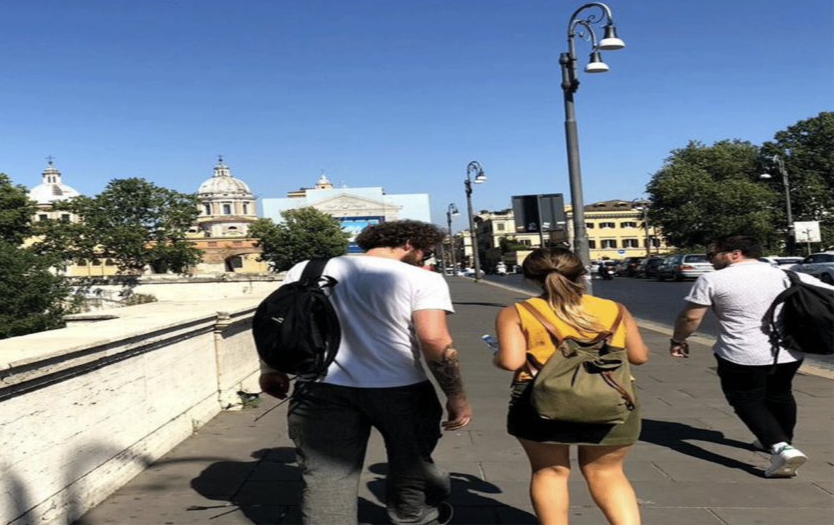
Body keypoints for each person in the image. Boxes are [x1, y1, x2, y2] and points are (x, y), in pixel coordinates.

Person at [259, 220, 471, 525]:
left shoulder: (308, 269)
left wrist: (271, 368)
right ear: (409, 244)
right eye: (424, 252)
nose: (424, 259)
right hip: (401, 389)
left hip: (320, 389)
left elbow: (277, 324)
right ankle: (414, 516)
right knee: (411, 464)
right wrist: (456, 396)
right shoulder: (422, 279)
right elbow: (434, 339)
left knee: (326, 476)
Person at [493, 248, 649, 525]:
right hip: (612, 397)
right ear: (581, 274)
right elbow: (639, 357)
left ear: (531, 278)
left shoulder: (517, 312)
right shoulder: (615, 309)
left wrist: (497, 355)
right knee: (608, 473)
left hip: (540, 400)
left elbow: (511, 361)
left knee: (549, 472)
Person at [669, 235, 833, 478]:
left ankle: (780, 447)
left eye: (712, 254)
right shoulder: (786, 274)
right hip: (787, 352)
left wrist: (678, 340)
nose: (709, 260)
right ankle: (777, 440)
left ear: (735, 253)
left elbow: (691, 318)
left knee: (745, 399)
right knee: (780, 394)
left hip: (740, 353)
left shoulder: (713, 279)